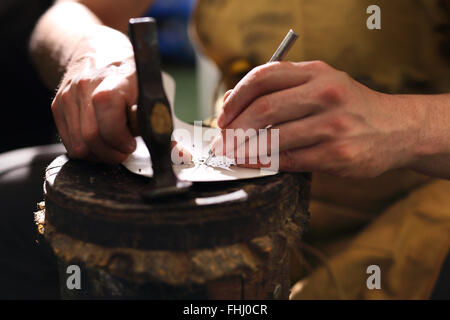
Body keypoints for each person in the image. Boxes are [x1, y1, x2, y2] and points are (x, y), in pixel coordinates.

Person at [27, 0, 449, 299]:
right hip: (237, 179)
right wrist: (89, 48)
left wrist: (405, 124)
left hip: (415, 203)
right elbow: (63, 13)